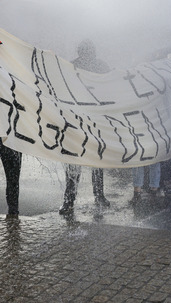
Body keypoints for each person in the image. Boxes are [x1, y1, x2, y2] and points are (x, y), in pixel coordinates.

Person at [60, 39, 111, 215]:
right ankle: (98, 195)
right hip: (93, 121)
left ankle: (69, 200)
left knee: (75, 161)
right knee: (95, 160)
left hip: (77, 121)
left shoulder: (71, 66)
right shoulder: (100, 66)